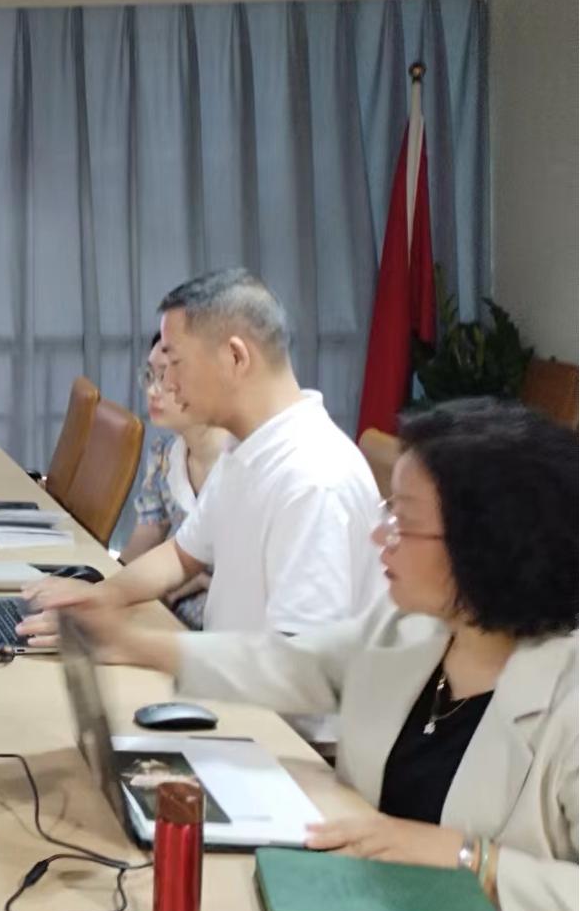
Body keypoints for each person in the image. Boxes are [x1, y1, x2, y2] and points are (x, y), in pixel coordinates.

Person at [52, 399, 578, 911]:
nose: (378, 535)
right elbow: (298, 664)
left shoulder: (567, 697)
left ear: (487, 545)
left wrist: (474, 860)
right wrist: (133, 644)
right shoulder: (414, 629)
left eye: (402, 521)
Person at [22, 268, 384, 655]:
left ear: (235, 357)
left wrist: (127, 645)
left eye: (175, 363)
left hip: (263, 694)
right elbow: (182, 555)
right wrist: (97, 598)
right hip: (227, 679)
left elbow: (298, 665)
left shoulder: (313, 481)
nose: (166, 384)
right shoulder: (245, 449)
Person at [122, 334, 233, 630]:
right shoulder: (164, 454)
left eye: (166, 376)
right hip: (170, 612)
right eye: (149, 375)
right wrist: (106, 586)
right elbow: (146, 537)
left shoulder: (246, 465)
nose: (153, 391)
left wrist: (197, 581)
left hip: (225, 630)